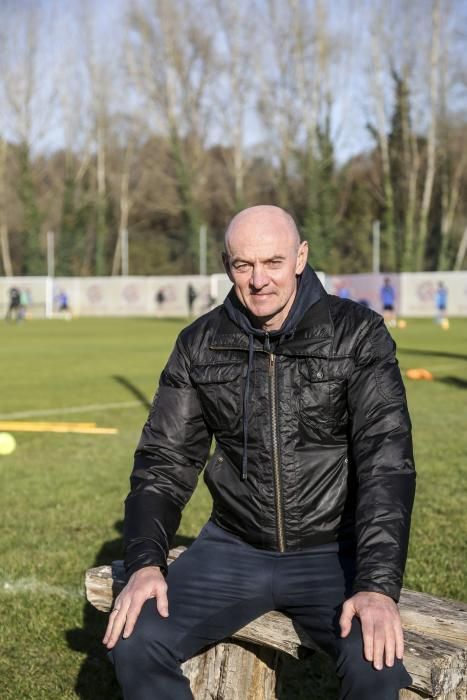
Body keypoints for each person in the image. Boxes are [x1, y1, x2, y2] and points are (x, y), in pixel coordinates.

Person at [105, 205, 416, 700]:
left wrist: (376, 586)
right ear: (228, 266)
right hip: (234, 548)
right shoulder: (198, 344)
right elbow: (164, 462)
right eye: (243, 265)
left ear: (300, 257)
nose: (258, 280)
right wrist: (145, 562)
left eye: (272, 262)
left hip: (333, 550)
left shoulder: (357, 334)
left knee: (374, 662)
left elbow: (386, 463)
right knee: (136, 638)